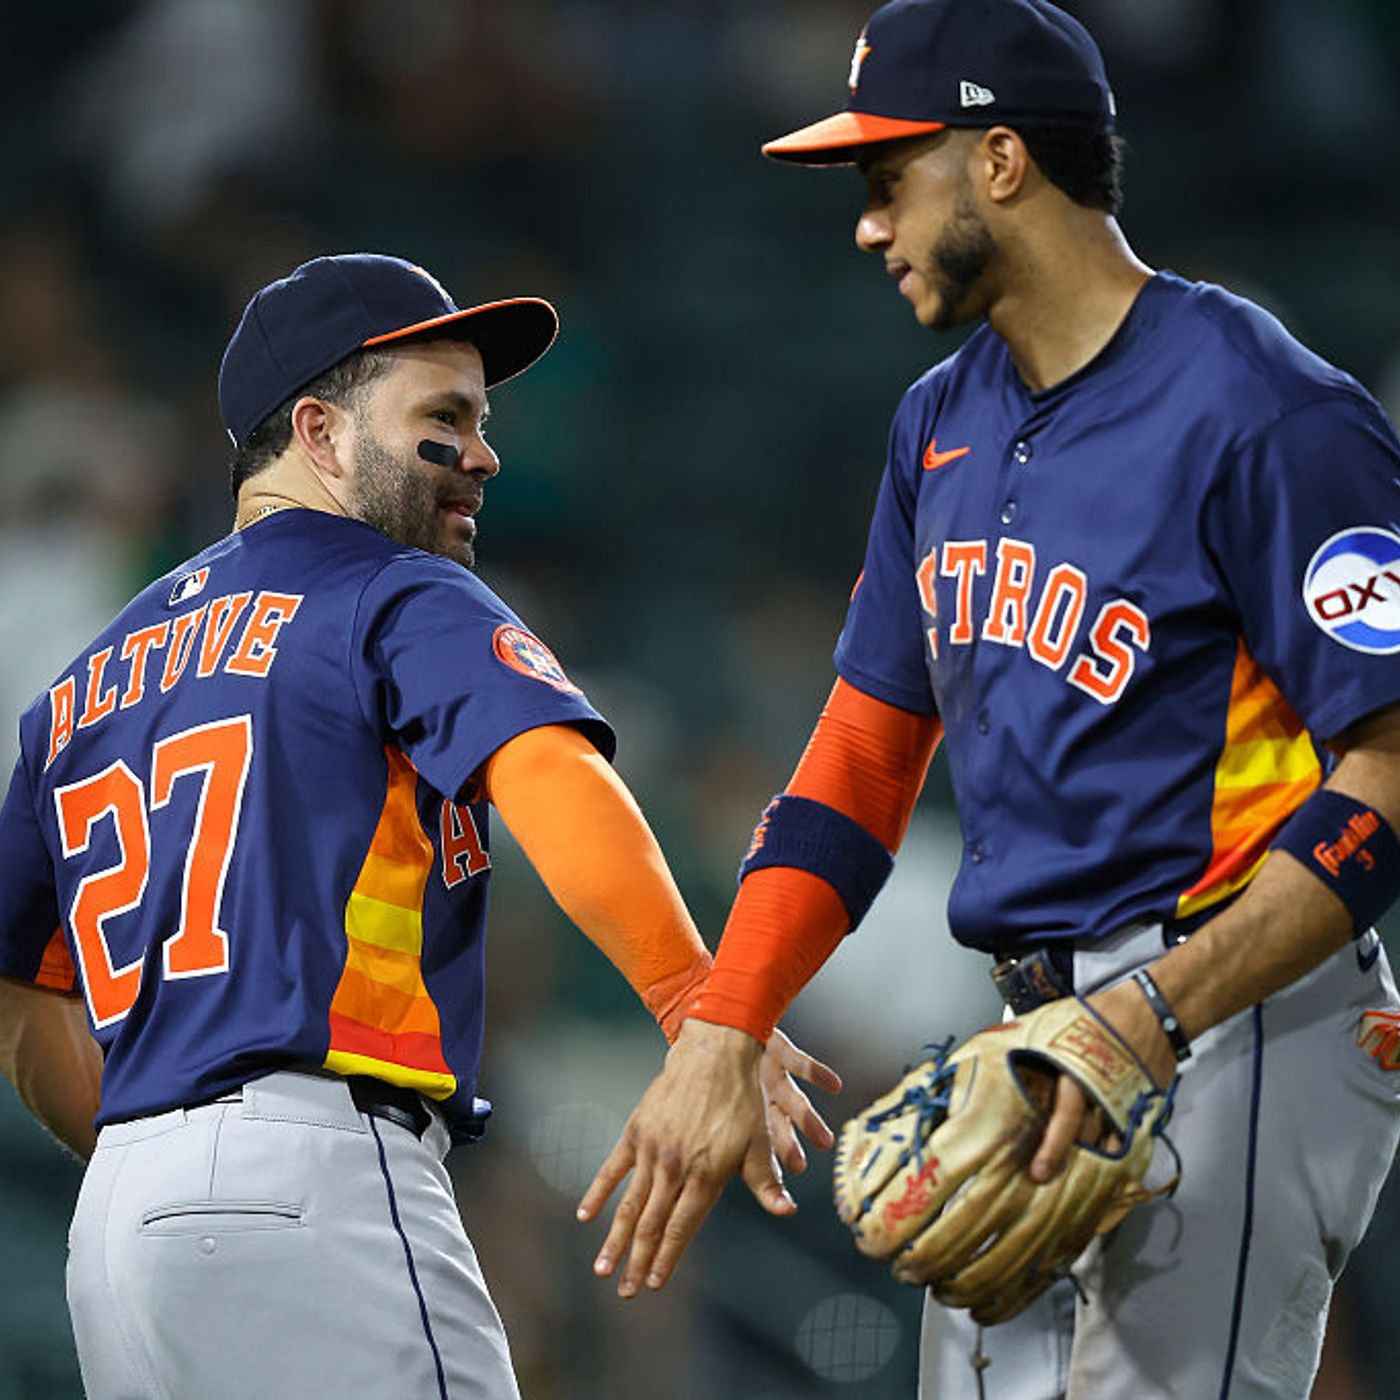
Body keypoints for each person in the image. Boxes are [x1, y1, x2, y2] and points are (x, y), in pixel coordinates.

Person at [578, 2, 1400, 1395]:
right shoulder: (938, 421)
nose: (867, 223)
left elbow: (1387, 773)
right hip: (1020, 1043)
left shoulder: (1268, 410)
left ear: (1002, 161)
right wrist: (726, 1022)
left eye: (888, 178)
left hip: (1240, 1014)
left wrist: (1152, 1015)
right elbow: (858, 760)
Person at [0, 252, 838, 1400]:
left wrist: (166, 1156)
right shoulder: (386, 588)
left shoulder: (77, 689)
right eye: (441, 418)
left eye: (481, 419)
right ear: (320, 431)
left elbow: (18, 991)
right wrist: (696, 1003)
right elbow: (551, 771)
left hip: (119, 1228)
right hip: (318, 1170)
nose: (484, 453)